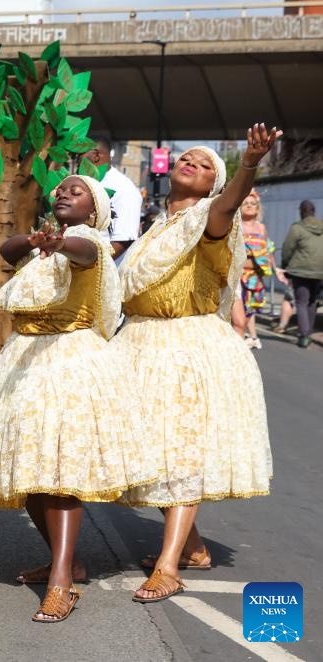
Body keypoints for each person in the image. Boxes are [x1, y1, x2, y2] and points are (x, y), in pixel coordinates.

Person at [0, 175, 155, 623]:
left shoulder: (90, 245)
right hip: (24, 361)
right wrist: (36, 240)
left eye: (76, 191)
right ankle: (68, 562)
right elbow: (7, 252)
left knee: (59, 474)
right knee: (28, 476)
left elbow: (81, 254)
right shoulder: (46, 245)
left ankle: (62, 581)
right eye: (61, 189)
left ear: (95, 210)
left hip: (68, 361)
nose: (63, 193)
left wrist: (60, 244)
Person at [114, 128, 279, 603]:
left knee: (181, 453)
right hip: (142, 343)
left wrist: (248, 163)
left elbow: (229, 204)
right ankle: (195, 548)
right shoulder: (158, 224)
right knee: (157, 452)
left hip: (186, 348)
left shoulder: (211, 218)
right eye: (186, 158)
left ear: (214, 184)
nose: (191, 163)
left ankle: (168, 567)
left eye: (205, 164)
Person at [231, 190, 283, 348]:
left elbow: (268, 251)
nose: (249, 206)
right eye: (245, 203)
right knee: (238, 314)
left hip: (256, 277)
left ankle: (244, 338)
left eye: (253, 203)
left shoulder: (261, 228)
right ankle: (237, 341)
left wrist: (277, 270)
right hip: (239, 276)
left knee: (251, 308)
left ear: (258, 208)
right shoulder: (236, 226)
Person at [84, 137, 143, 260]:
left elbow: (123, 239)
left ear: (96, 155)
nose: (75, 160)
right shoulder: (83, 181)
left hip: (99, 271)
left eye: (78, 155)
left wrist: (91, 268)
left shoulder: (124, 189)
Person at [280, 200, 323, 349]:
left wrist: (285, 267)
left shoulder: (297, 228)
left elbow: (287, 249)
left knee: (302, 302)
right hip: (319, 271)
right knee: (312, 301)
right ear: (314, 211)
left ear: (301, 211)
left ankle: (304, 335)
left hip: (301, 271)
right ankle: (308, 331)